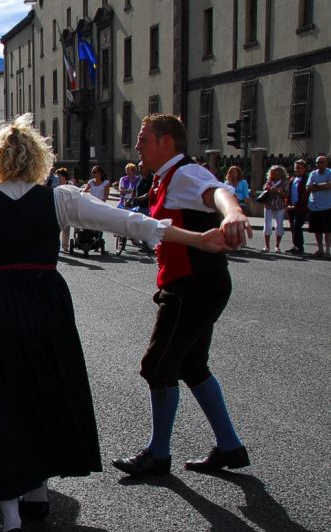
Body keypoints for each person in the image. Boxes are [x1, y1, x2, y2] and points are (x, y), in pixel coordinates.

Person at [0, 114, 232, 532]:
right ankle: (38, 492)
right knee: (42, 391)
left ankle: (10, 516)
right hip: (47, 303)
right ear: (38, 160)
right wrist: (199, 240)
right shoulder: (60, 198)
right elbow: (130, 223)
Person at [112, 112, 253, 478]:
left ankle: (158, 454)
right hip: (194, 282)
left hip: (193, 285)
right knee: (191, 365)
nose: (137, 146)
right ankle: (229, 446)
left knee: (158, 365)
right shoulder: (163, 178)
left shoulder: (186, 173)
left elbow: (218, 192)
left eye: (143, 139)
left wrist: (234, 212)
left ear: (166, 142)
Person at [306, 155, 331, 258]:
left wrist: (316, 186)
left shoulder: (329, 172)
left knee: (327, 230)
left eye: (321, 162)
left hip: (327, 205)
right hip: (314, 205)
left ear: (326, 163)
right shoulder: (313, 173)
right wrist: (322, 186)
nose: (319, 164)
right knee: (317, 230)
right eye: (317, 162)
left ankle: (328, 251)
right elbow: (308, 187)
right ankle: (320, 249)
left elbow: (329, 185)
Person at [260, 165, 289, 253]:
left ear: (280, 173)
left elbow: (287, 195)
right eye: (272, 173)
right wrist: (267, 188)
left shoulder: (284, 182)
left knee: (279, 224)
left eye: (275, 173)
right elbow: (264, 188)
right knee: (267, 224)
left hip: (279, 205)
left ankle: (277, 246)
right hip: (268, 205)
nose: (273, 174)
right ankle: (267, 245)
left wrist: (278, 191)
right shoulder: (269, 181)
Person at [286, 159, 310, 255]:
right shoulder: (292, 179)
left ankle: (300, 247)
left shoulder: (306, 180)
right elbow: (289, 193)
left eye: (299, 168)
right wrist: (288, 204)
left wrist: (295, 206)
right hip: (291, 207)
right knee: (293, 227)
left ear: (304, 169)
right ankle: (295, 246)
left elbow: (305, 195)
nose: (296, 170)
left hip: (301, 208)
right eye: (295, 168)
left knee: (297, 226)